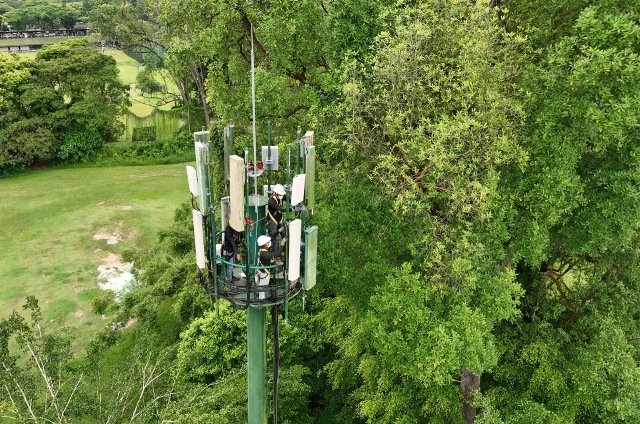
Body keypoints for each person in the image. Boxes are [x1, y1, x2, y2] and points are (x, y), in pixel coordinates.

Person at [256, 234, 286, 299]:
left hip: (260, 270)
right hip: (264, 273)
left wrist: (270, 261)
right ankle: (260, 300)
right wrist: (282, 242)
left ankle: (258, 293)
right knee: (262, 287)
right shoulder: (265, 254)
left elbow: (263, 260)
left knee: (260, 284)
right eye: (267, 242)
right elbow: (277, 253)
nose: (269, 243)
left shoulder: (261, 251)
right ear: (265, 245)